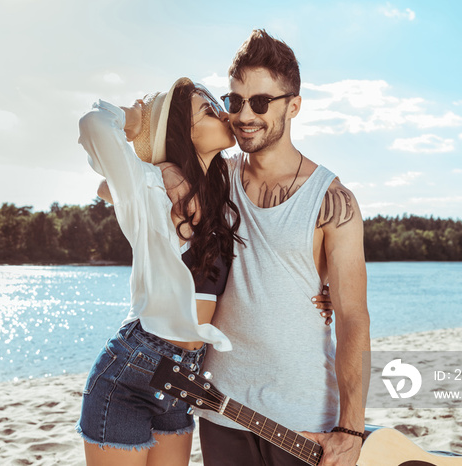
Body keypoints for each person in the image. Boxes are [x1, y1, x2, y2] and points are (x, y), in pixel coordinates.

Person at [197, 30, 371, 466]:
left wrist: (350, 429)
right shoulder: (216, 180)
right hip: (221, 408)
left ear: (294, 106)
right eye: (235, 101)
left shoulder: (333, 201)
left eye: (261, 102)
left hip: (302, 419)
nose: (244, 115)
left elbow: (352, 316)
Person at [75, 77, 243, 466]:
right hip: (130, 373)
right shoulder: (152, 188)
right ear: (181, 131)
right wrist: (136, 119)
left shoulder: (223, 191)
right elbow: (93, 125)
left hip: (183, 379)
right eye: (207, 109)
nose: (222, 112)